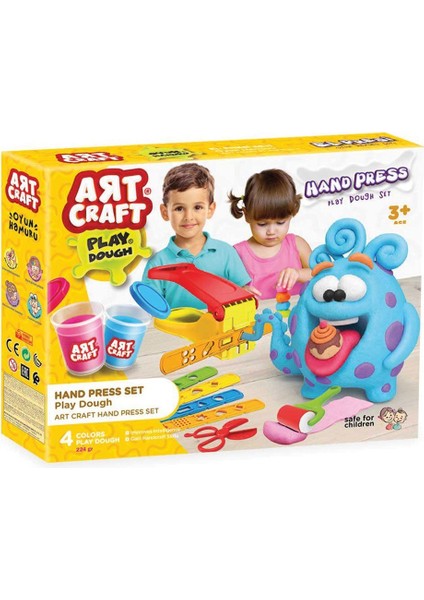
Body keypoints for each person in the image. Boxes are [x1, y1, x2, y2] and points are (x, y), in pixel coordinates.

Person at [142, 163, 251, 309]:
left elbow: (241, 293)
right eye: (179, 208)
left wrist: (247, 293)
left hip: (220, 323)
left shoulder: (226, 253)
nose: (189, 217)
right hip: (176, 325)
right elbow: (151, 309)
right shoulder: (157, 264)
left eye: (197, 207)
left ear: (210, 209)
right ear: (165, 212)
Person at [229, 168, 312, 299]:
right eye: (262, 224)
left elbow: (321, 274)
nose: (271, 231)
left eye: (280, 222)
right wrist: (240, 292)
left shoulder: (297, 245)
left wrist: (299, 274)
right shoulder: (237, 254)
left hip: (297, 311)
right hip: (259, 312)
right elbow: (226, 291)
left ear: (292, 212)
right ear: (247, 215)